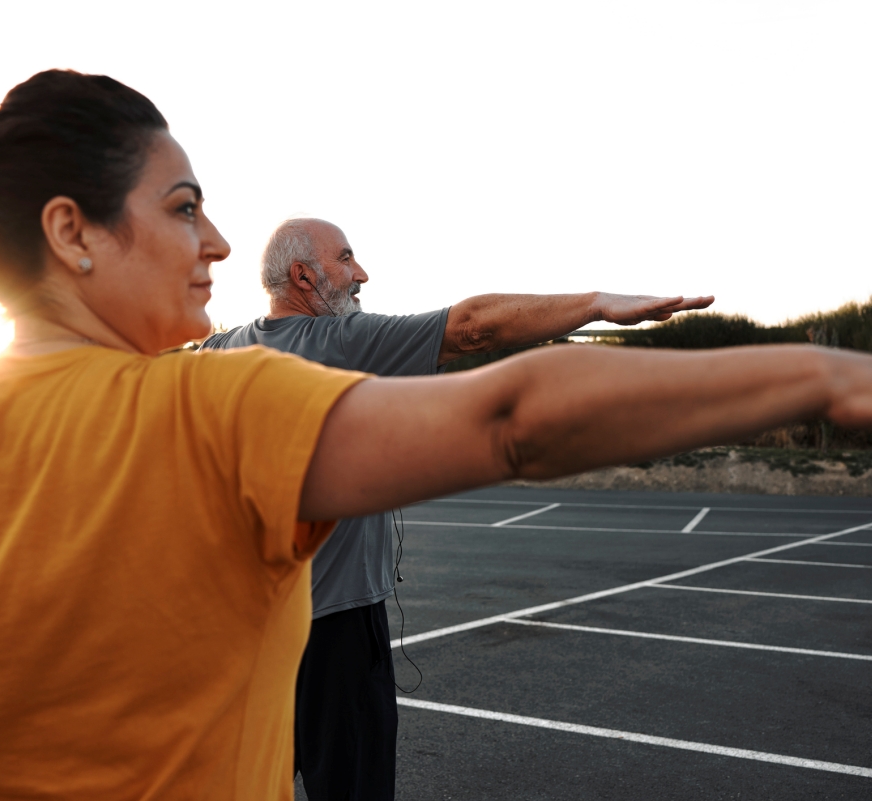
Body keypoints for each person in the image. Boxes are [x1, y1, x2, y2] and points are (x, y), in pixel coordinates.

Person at [0, 70, 872, 801]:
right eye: (183, 208)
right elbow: (514, 420)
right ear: (73, 234)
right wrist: (832, 373)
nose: (216, 243)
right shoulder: (214, 407)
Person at [202, 216, 714, 801]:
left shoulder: (218, 352)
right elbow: (472, 327)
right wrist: (596, 303)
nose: (361, 274)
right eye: (345, 259)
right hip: (334, 628)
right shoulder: (339, 342)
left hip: (244, 627)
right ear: (302, 276)